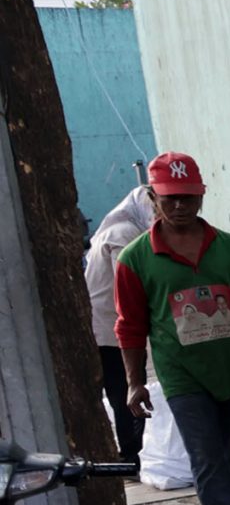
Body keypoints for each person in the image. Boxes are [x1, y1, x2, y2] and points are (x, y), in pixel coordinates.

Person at [113, 151, 230, 505]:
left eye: (188, 197)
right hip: (182, 378)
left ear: (201, 196)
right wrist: (133, 382)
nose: (179, 207)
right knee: (206, 460)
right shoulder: (135, 259)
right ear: (152, 198)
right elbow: (129, 326)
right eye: (169, 199)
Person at [82, 182, 150, 462]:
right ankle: (132, 454)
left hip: (106, 325)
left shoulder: (117, 227)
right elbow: (129, 286)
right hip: (110, 329)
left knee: (118, 391)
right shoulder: (124, 234)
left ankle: (129, 453)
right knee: (126, 393)